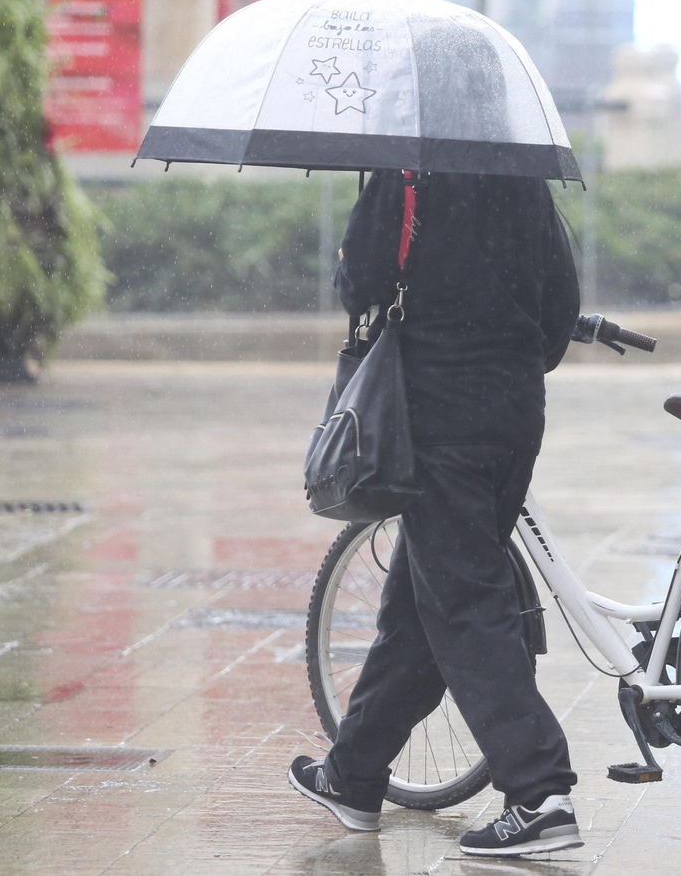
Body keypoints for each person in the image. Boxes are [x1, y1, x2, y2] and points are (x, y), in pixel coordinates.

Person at [288, 167, 583, 858]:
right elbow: (560, 309)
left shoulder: (406, 172)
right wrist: (504, 360)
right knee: (421, 606)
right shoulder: (521, 175)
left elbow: (359, 283)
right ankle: (354, 774)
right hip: (512, 415)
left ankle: (539, 793)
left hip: (435, 419)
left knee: (466, 604)